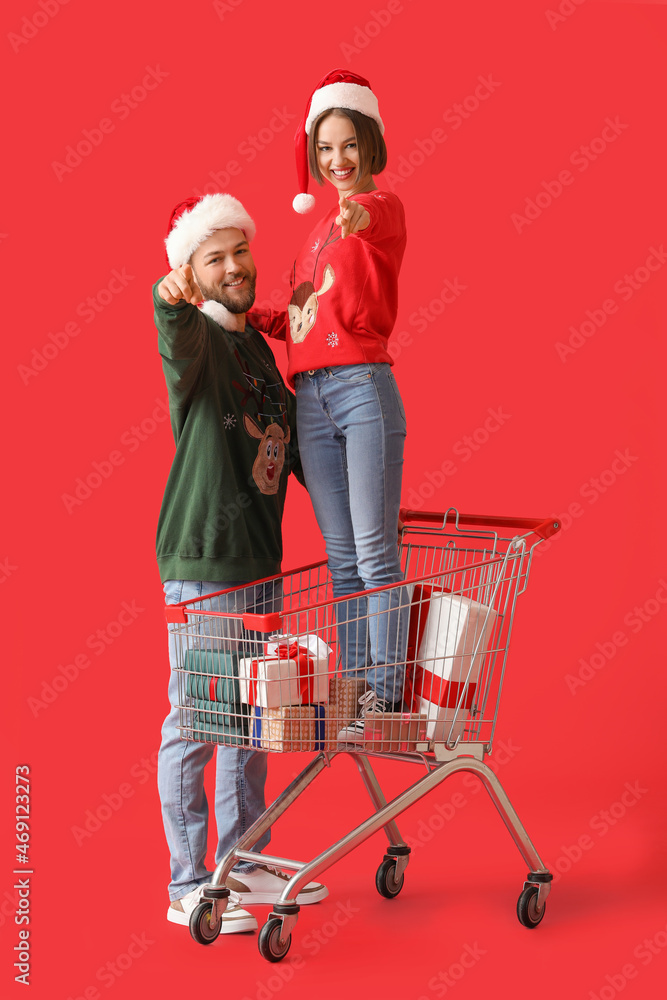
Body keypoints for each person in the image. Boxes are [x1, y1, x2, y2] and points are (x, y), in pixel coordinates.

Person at [154, 192, 327, 932]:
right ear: (191, 270)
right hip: (205, 557)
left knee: (253, 718)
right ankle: (189, 882)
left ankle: (242, 859)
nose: (233, 266)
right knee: (199, 719)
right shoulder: (199, 342)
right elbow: (173, 332)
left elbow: (295, 454)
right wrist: (169, 299)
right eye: (213, 256)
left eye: (239, 251)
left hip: (258, 560)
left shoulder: (256, 349)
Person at [248, 70, 409, 742]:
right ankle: (353, 682)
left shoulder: (382, 209)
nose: (335, 160)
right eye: (323, 150)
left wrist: (356, 211)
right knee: (340, 555)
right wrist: (248, 316)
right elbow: (305, 317)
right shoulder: (313, 233)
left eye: (346, 146)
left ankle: (385, 692)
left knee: (374, 552)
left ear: (368, 145)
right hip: (310, 394)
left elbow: (371, 218)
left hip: (362, 389)